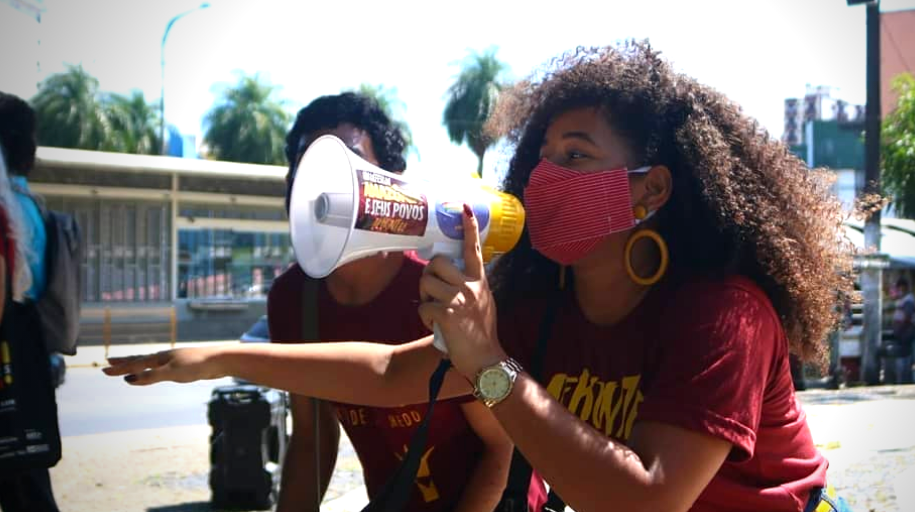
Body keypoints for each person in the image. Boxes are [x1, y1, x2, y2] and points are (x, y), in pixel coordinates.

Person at [106, 41, 856, 512]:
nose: (544, 179)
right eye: (542, 159)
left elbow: (648, 497)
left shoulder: (723, 315)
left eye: (577, 156)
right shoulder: (544, 306)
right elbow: (389, 370)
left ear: (649, 191)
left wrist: (490, 367)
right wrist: (214, 358)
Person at [272, 92, 519, 512]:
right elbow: (312, 439)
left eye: (347, 164)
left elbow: (502, 447)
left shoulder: (439, 288)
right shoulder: (294, 301)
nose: (322, 184)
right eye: (307, 164)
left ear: (392, 180)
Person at [0, 91, 61, 512]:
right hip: (30, 360)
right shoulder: (35, 209)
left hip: (8, 360)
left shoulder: (6, 211)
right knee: (29, 486)